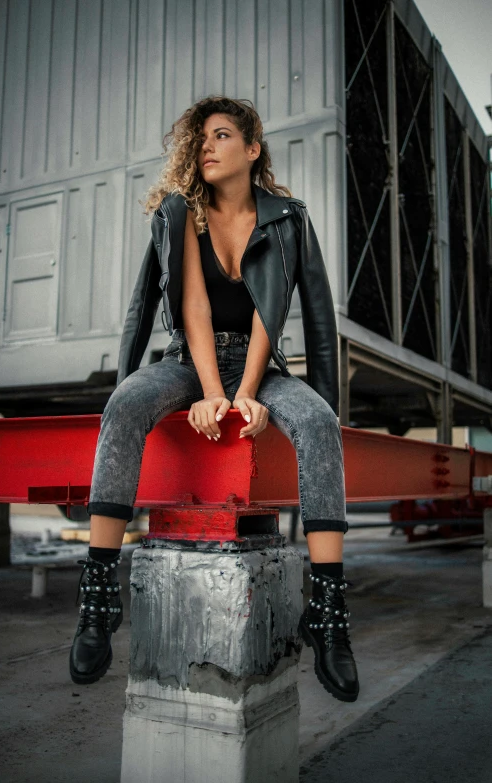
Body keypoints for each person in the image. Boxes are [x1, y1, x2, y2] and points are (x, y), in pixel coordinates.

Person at [69, 96, 359, 703]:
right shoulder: (179, 214)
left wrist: (251, 395)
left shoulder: (287, 218)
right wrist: (200, 392)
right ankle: (98, 598)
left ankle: (329, 613)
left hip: (261, 360)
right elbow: (175, 308)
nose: (206, 144)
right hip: (187, 359)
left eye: (221, 135)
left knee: (318, 422)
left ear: (252, 150)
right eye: (200, 136)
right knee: (124, 407)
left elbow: (283, 314)